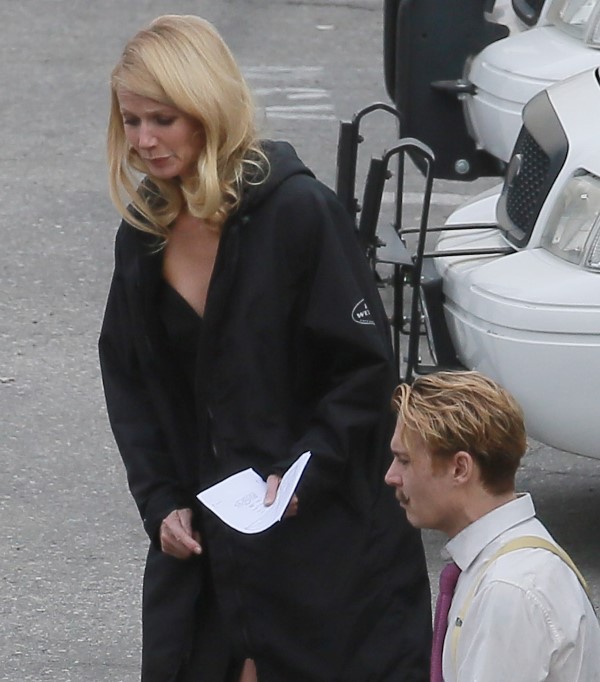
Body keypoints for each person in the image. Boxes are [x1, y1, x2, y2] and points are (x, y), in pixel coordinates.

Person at [99, 14, 432, 682]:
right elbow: (129, 379)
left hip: (323, 539)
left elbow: (364, 369)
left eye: (163, 119)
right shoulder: (145, 234)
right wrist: (160, 500)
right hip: (206, 542)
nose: (144, 140)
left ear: (207, 109)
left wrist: (306, 467)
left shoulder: (299, 213)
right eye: (131, 121)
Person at [385, 370, 600, 682]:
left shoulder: (509, 590)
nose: (391, 476)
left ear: (460, 468)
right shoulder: (501, 568)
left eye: (404, 460)